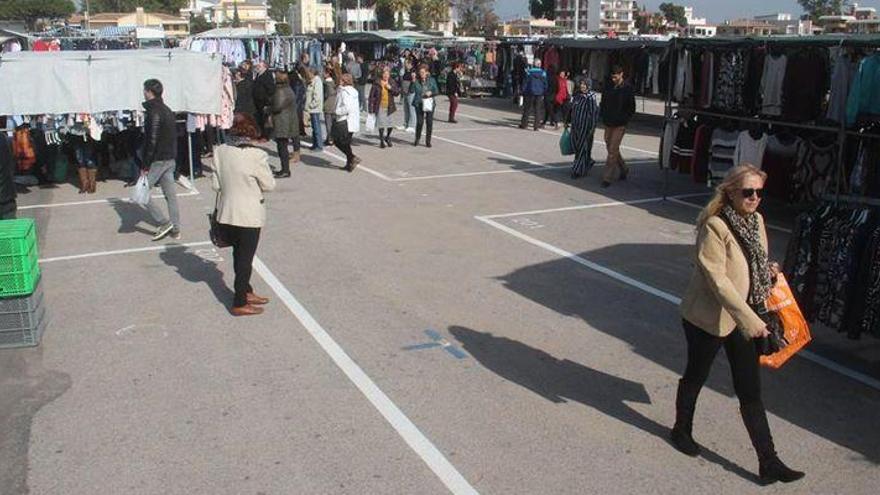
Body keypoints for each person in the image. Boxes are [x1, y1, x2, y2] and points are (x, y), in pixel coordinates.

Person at [675, 164, 805, 485]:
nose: (754, 199)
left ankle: (769, 461)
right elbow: (717, 281)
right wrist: (751, 320)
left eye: (759, 192)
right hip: (709, 317)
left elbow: (754, 258)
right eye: (748, 192)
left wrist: (767, 270)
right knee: (696, 373)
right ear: (731, 191)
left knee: (750, 390)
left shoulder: (757, 220)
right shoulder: (714, 227)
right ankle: (681, 430)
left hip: (746, 317)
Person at [210, 125, 276, 317]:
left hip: (227, 212)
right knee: (245, 259)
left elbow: (216, 185)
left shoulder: (220, 151)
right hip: (248, 214)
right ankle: (239, 301)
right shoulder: (257, 156)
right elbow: (269, 185)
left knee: (238, 255)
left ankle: (246, 290)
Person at [141, 79, 180, 241]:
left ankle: (164, 222)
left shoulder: (154, 112)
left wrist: (145, 164)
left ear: (149, 92)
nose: (143, 92)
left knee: (141, 192)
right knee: (170, 195)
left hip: (158, 159)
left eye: (144, 90)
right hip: (169, 157)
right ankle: (176, 228)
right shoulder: (167, 109)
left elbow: (152, 139)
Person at [599, 65, 636, 188]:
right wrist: (603, 115)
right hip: (608, 122)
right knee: (610, 147)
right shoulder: (608, 87)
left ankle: (607, 177)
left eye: (615, 77)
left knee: (612, 150)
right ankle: (624, 168)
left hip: (620, 124)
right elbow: (603, 102)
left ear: (621, 74)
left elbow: (631, 107)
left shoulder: (628, 88)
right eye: (612, 77)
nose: (613, 79)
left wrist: (625, 119)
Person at [565, 77, 600, 179]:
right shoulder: (577, 95)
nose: (582, 86)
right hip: (575, 126)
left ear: (588, 86)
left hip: (585, 127)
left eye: (584, 84)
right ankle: (587, 161)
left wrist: (592, 127)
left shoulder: (591, 97)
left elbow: (593, 114)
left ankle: (577, 170)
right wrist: (567, 121)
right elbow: (571, 109)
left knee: (581, 148)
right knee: (576, 147)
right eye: (581, 84)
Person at [270, 71, 299, 179]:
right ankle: (284, 169)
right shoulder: (288, 88)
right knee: (283, 146)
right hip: (288, 120)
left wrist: (268, 108)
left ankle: (285, 170)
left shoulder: (281, 91)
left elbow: (277, 106)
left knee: (282, 147)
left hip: (283, 122)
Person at [333, 73, 361, 171]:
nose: (339, 81)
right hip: (351, 120)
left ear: (345, 81)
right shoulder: (352, 91)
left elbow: (346, 107)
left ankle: (352, 157)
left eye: (341, 80)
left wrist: (337, 111)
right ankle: (349, 164)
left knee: (338, 141)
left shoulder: (345, 92)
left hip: (345, 120)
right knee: (346, 142)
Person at [368, 66, 401, 149]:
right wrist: (371, 108)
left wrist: (391, 88)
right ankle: (382, 140)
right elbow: (372, 96)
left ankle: (387, 137)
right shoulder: (377, 83)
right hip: (380, 106)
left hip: (390, 106)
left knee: (390, 124)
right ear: (381, 74)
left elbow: (397, 93)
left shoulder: (392, 82)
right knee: (381, 124)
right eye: (384, 74)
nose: (386, 76)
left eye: (387, 74)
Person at [410, 64, 439, 148]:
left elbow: (437, 91)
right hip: (419, 103)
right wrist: (413, 81)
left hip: (429, 103)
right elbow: (411, 91)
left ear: (427, 73)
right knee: (420, 122)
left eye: (423, 72)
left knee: (429, 122)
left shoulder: (432, 80)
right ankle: (417, 138)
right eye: (420, 72)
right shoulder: (416, 80)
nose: (421, 74)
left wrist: (431, 93)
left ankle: (428, 141)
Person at [520, 59, 547, 131]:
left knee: (527, 109)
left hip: (530, 92)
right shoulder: (543, 73)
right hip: (539, 93)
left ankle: (524, 124)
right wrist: (544, 92)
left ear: (534, 64)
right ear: (540, 64)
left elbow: (525, 82)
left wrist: (523, 91)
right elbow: (545, 84)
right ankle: (536, 126)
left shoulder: (529, 72)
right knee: (538, 110)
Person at [252, 62, 275, 140]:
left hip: (264, 101)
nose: (257, 67)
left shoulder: (267, 75)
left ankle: (265, 136)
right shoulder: (258, 74)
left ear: (264, 67)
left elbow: (271, 89)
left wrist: (268, 103)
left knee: (265, 120)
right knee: (259, 119)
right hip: (257, 101)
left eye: (259, 66)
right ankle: (260, 134)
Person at [304, 67, 324, 151]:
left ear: (312, 73)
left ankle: (319, 145)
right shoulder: (312, 81)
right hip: (311, 109)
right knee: (314, 128)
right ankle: (315, 144)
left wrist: (311, 106)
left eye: (309, 73)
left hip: (314, 109)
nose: (308, 74)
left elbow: (317, 96)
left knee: (316, 128)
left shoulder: (317, 81)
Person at [322, 66, 338, 147]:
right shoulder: (334, 82)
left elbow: (324, 95)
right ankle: (332, 138)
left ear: (327, 74)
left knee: (328, 123)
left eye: (324, 73)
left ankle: (329, 139)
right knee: (333, 123)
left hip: (328, 104)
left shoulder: (325, 83)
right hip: (334, 104)